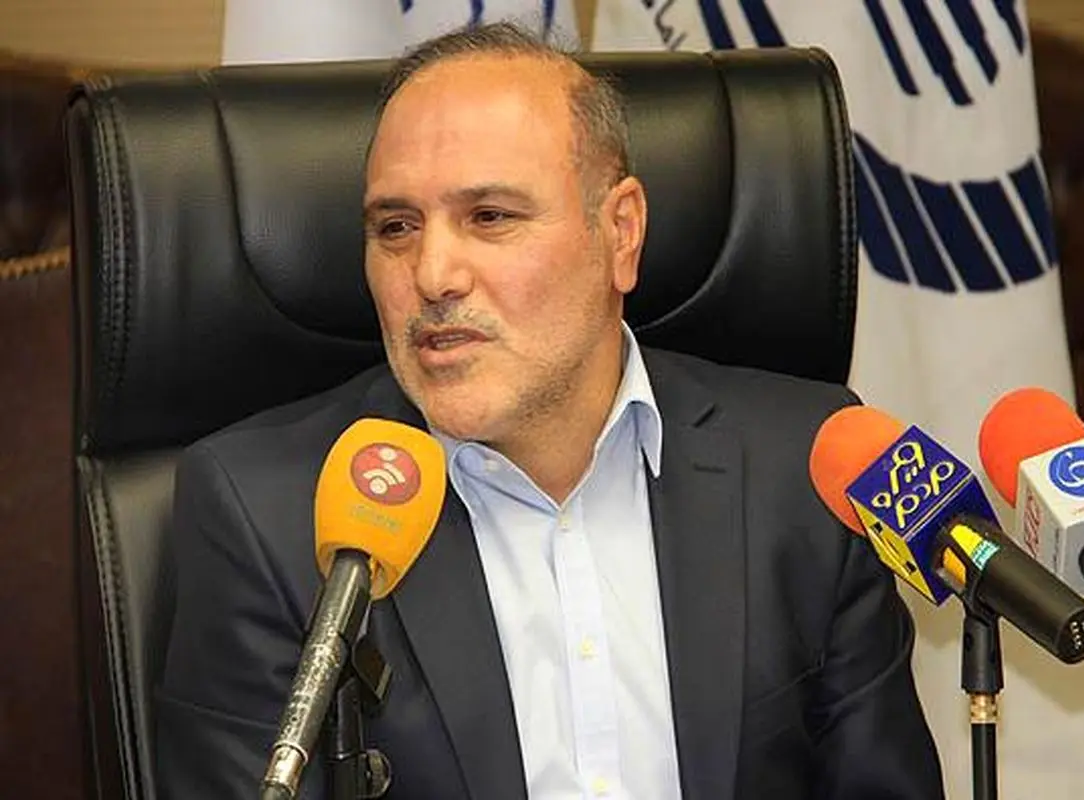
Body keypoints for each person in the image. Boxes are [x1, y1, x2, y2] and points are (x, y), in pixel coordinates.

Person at [155, 21, 944, 800]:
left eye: (490, 217)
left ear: (621, 232)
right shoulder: (266, 514)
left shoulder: (806, 468)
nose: (432, 274)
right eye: (395, 227)